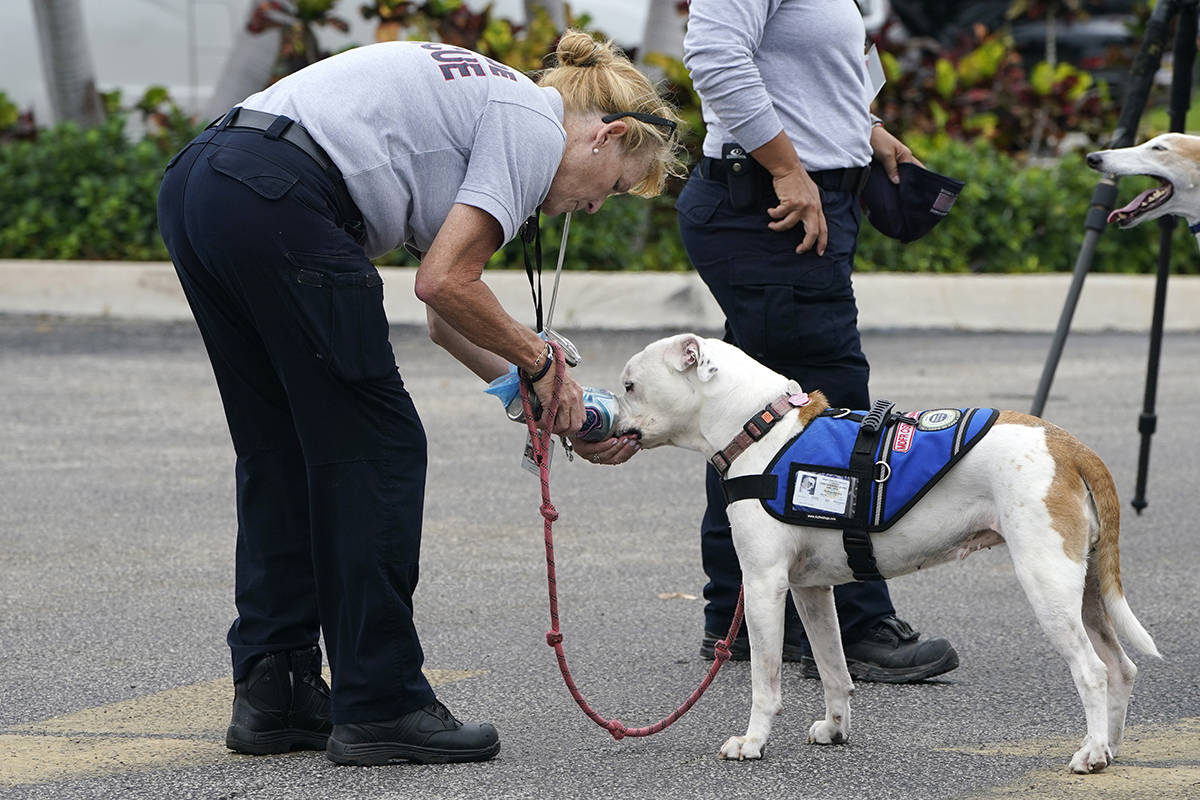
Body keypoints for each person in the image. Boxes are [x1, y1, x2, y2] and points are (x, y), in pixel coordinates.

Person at [156, 31, 684, 766]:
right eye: (619, 185)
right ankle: (382, 704)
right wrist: (538, 359)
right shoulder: (533, 123)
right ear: (608, 136)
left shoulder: (483, 104)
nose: (595, 208)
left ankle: (276, 695)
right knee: (379, 450)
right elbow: (446, 284)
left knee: (282, 452)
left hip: (205, 183)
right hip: (282, 197)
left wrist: (530, 392)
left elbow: (446, 315)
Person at [675, 0, 960, 682]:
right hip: (772, 211)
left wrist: (867, 130)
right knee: (833, 418)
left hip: (801, 205)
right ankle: (859, 624)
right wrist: (787, 168)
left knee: (758, 422)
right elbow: (716, 59)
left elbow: (806, 73)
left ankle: (740, 614)